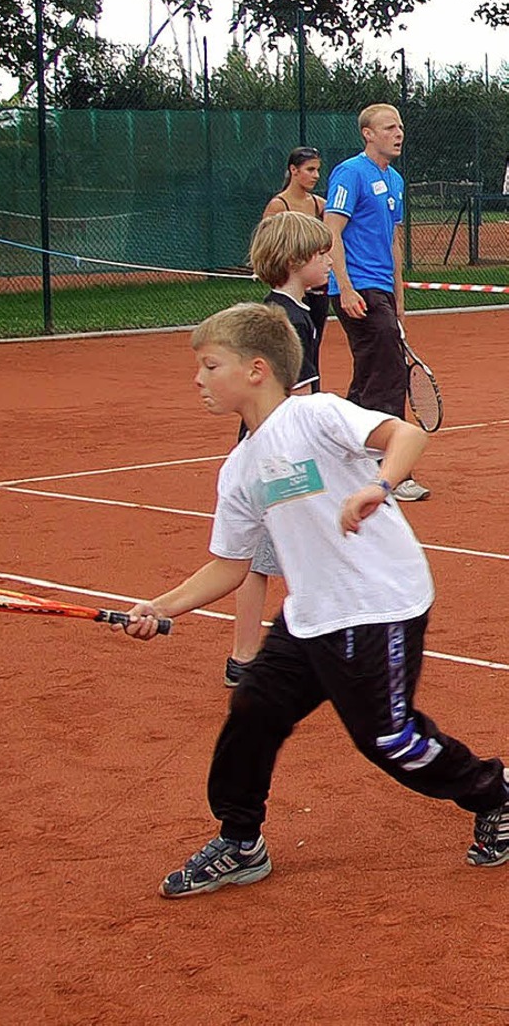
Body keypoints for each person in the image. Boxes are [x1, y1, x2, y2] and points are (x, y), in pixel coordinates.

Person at [115, 302, 509, 896]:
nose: (198, 379)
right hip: (312, 616)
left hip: (379, 604)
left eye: (209, 364)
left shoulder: (315, 415)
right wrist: (161, 606)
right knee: (253, 710)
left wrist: (379, 486)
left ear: (255, 369)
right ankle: (241, 840)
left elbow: (405, 432)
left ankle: (495, 793)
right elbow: (230, 564)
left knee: (389, 738)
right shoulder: (240, 467)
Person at [225, 211, 331, 689]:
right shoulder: (289, 323)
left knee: (266, 559)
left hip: (264, 450)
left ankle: (246, 656)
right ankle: (254, 656)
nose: (330, 261)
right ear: (294, 261)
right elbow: (300, 400)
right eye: (320, 255)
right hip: (281, 457)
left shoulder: (278, 312)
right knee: (303, 553)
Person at [324, 104, 430, 503]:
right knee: (388, 374)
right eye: (389, 127)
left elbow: (394, 242)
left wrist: (399, 298)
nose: (398, 133)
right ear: (368, 134)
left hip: (381, 289)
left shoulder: (396, 179)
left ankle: (344, 456)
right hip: (358, 288)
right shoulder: (350, 173)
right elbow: (331, 231)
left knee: (371, 374)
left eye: (400, 126)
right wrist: (345, 287)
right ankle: (392, 470)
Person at [263, 146, 328, 354]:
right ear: (294, 170)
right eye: (310, 169)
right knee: (293, 347)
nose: (316, 175)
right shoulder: (278, 205)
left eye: (317, 170)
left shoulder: (320, 204)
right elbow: (267, 245)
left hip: (318, 290)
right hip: (293, 288)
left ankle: (313, 385)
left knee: (313, 346)